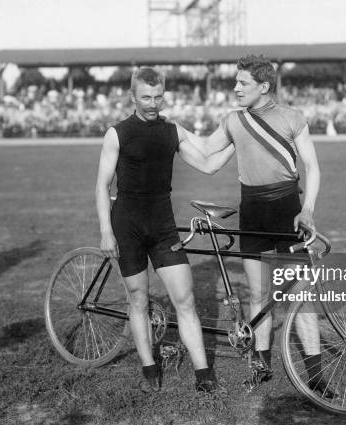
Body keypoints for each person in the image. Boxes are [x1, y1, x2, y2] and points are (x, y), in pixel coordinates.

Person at [181, 55, 325, 390]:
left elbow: (312, 167)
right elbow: (203, 149)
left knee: (300, 295)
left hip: (288, 211)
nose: (235, 88)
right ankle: (260, 367)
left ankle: (316, 377)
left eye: (243, 83)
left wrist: (308, 210)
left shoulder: (292, 117)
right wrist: (171, 128)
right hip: (252, 212)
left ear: (264, 86)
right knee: (258, 294)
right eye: (236, 81)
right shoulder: (233, 120)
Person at [95, 67, 234, 393]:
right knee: (139, 298)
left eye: (158, 96)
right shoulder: (117, 133)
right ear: (133, 96)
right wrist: (105, 231)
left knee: (184, 299)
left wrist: (238, 141)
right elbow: (102, 186)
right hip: (126, 225)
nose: (153, 103)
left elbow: (209, 164)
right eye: (146, 97)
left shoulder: (172, 130)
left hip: (162, 226)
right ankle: (149, 366)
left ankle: (203, 374)